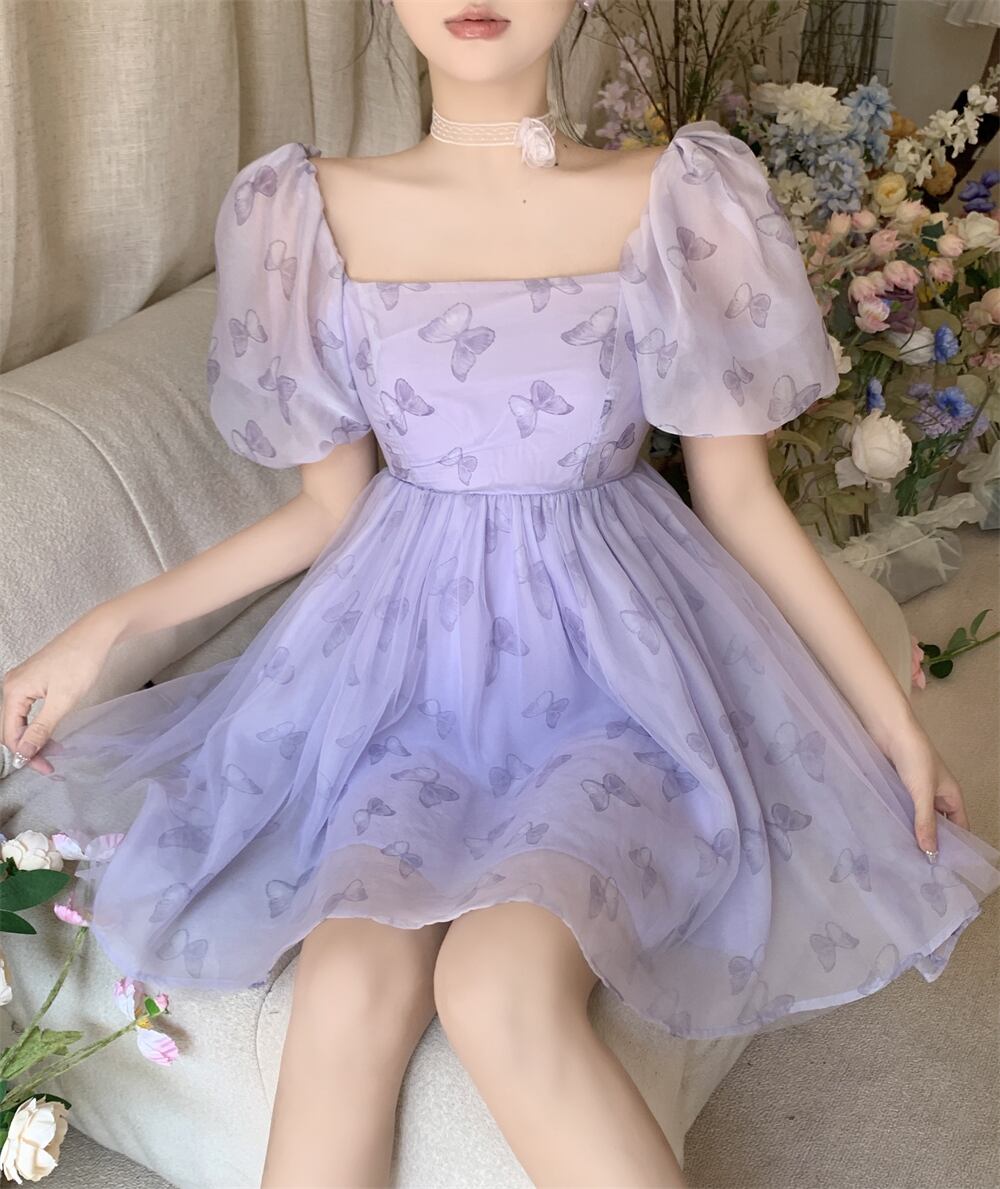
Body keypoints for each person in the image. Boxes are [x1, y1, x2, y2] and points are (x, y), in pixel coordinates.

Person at [3, 2, 999, 1186]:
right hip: (405, 691)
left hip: (614, 688)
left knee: (498, 984)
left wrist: (887, 720)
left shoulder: (677, 195)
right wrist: (105, 625)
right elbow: (326, 511)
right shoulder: (303, 211)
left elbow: (738, 500)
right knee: (344, 985)